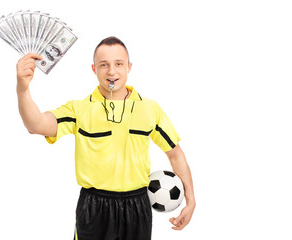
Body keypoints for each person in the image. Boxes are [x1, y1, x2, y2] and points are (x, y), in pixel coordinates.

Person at [16, 36, 196, 240]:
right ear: (94, 69)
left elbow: (175, 154)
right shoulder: (79, 109)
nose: (111, 71)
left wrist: (190, 199)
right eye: (104, 65)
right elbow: (36, 125)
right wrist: (23, 88)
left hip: (137, 205)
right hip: (93, 207)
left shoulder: (150, 109)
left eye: (118, 64)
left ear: (128, 67)